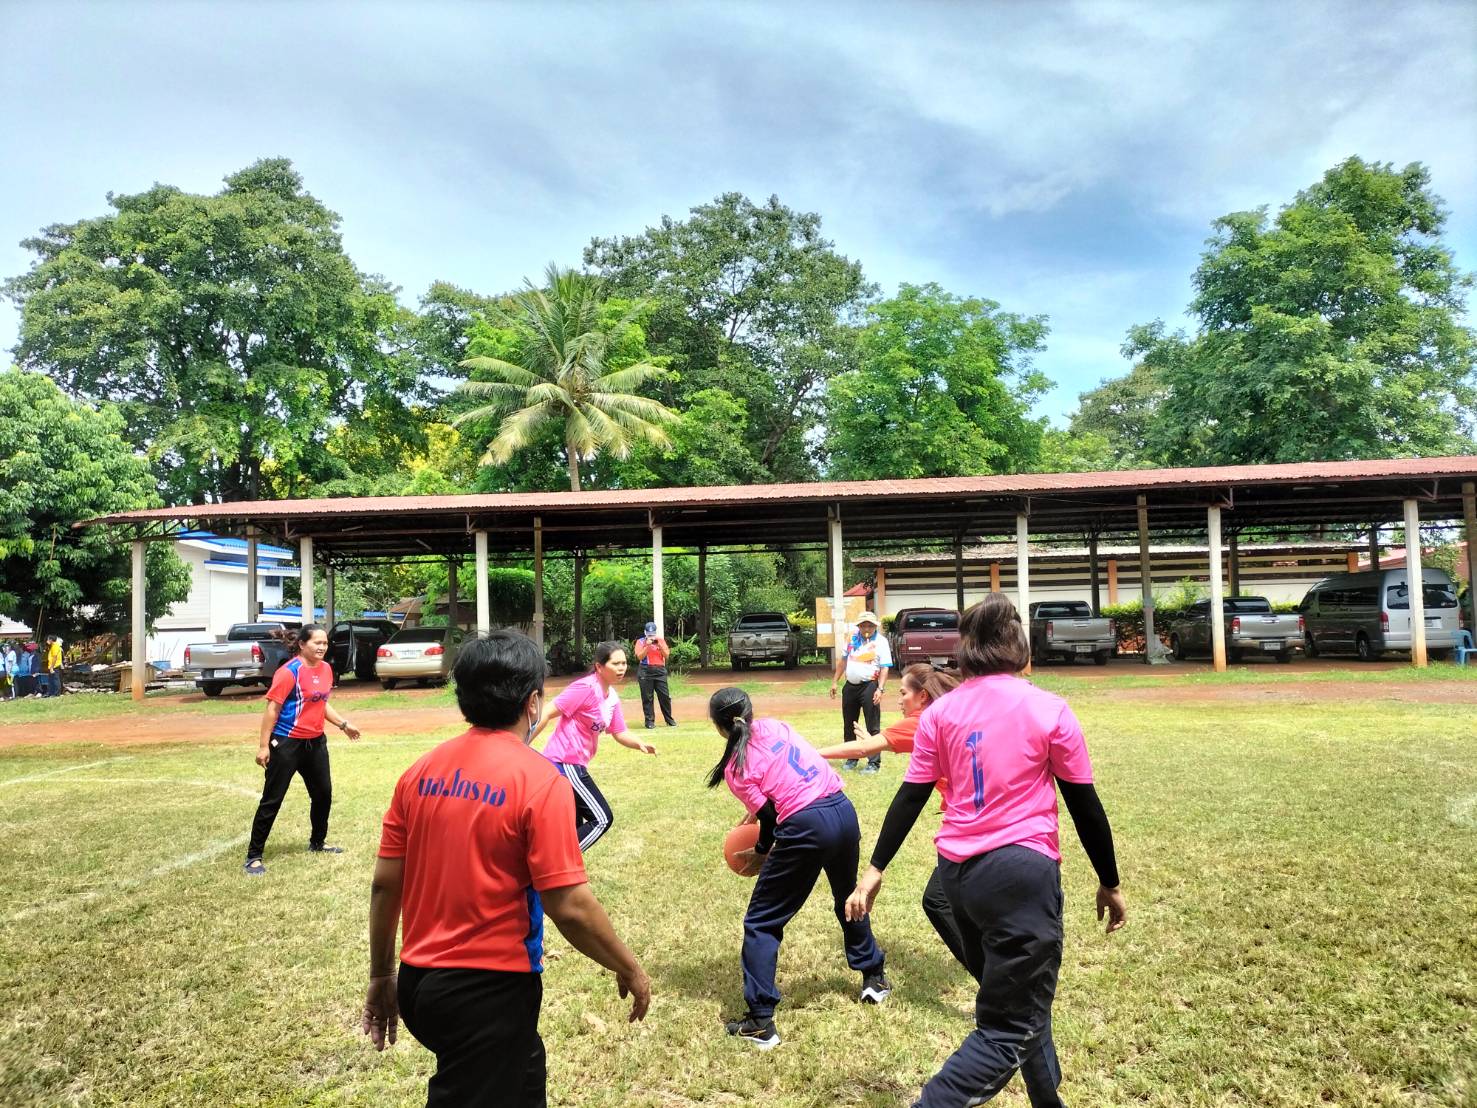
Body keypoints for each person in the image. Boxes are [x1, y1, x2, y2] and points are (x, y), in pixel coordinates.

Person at [846, 594, 1127, 1108]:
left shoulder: (941, 713)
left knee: (1017, 1003)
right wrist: (1109, 881)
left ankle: (1049, 1101)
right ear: (1020, 647)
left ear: (965, 652)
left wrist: (875, 869)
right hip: (1021, 875)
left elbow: (910, 795)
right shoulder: (1048, 708)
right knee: (1009, 1023)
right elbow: (1084, 804)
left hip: (958, 878)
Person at [362, 631, 651, 1107]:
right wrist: (630, 967)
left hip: (419, 983)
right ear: (533, 702)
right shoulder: (541, 781)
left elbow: (384, 884)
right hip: (488, 991)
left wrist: (380, 975)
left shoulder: (418, 772)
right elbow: (570, 906)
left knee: (523, 1078)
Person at [707, 686, 890, 1050]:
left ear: (718, 726)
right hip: (842, 810)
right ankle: (874, 977)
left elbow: (772, 819)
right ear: (751, 711)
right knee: (845, 897)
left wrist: (761, 852)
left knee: (762, 922)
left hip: (807, 826)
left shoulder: (735, 768)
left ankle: (761, 1022)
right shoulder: (776, 727)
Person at [816, 663, 971, 972]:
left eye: (903, 693)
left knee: (938, 900)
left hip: (971, 824)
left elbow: (864, 750)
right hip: (981, 818)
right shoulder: (950, 715)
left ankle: (987, 970)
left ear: (922, 696)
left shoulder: (921, 722)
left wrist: (812, 753)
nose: (898, 700)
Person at [243, 624, 360, 876]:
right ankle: (254, 856)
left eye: (325, 643)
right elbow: (272, 710)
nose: (322, 647)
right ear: (302, 644)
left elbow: (321, 704)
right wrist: (264, 746)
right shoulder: (289, 672)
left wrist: (343, 724)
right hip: (286, 743)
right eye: (317, 643)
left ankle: (318, 842)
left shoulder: (327, 670)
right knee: (272, 798)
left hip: (315, 743)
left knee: (323, 794)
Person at [532, 641, 656, 851]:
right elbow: (548, 711)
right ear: (599, 666)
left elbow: (619, 732)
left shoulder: (612, 698)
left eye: (624, 663)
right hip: (564, 763)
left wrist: (640, 744)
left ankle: (558, 874)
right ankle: (557, 862)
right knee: (601, 818)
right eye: (615, 664)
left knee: (573, 826)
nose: (621, 668)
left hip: (576, 764)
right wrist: (521, 743)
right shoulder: (585, 688)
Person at [829, 610, 892, 773]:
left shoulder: (881, 642)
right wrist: (835, 681)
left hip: (870, 686)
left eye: (870, 625)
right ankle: (851, 758)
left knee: (872, 725)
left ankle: (873, 762)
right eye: (863, 625)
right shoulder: (852, 638)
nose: (867, 628)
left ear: (874, 626)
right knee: (849, 724)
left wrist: (880, 688)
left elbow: (885, 667)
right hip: (850, 686)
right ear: (859, 626)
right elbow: (843, 662)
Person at [633, 621, 676, 729]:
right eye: (649, 634)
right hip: (645, 670)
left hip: (660, 670)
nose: (651, 636)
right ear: (645, 633)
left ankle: (669, 719)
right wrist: (647, 646)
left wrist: (660, 646)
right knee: (647, 697)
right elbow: (639, 657)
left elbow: (666, 656)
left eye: (653, 634)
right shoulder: (640, 641)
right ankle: (649, 721)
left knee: (664, 696)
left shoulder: (660, 640)